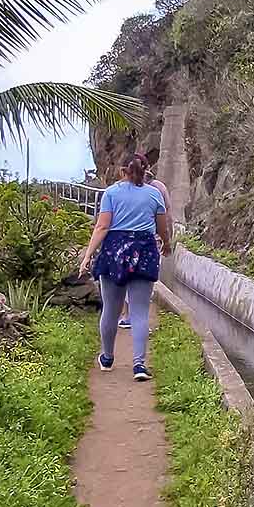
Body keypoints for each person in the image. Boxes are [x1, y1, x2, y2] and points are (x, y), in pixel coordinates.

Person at [79, 152, 173, 381]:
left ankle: (107, 357)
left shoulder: (111, 193)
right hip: (144, 253)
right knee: (140, 311)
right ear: (145, 171)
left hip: (114, 252)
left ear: (122, 171)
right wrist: (167, 244)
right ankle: (139, 365)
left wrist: (87, 256)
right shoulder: (154, 195)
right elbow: (162, 228)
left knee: (111, 309)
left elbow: (102, 227)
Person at [118, 163, 171, 329]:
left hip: (132, 243)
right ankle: (138, 320)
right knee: (144, 283)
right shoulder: (157, 190)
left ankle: (129, 317)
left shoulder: (125, 191)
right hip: (150, 244)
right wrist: (167, 240)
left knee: (129, 280)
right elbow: (166, 216)